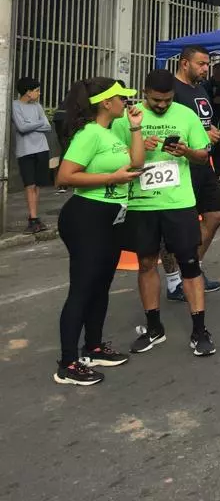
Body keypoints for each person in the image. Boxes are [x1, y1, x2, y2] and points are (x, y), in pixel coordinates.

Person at [115, 69, 217, 358]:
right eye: (156, 100)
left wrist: (185, 151)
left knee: (189, 264)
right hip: (142, 204)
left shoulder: (185, 115)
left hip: (179, 203)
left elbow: (203, 154)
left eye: (167, 100)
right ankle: (154, 327)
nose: (162, 105)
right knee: (146, 263)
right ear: (144, 92)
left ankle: (200, 330)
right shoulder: (129, 117)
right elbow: (114, 154)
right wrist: (136, 148)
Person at [53, 78, 143, 385]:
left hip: (111, 217)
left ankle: (92, 346)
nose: (126, 103)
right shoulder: (89, 133)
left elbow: (135, 164)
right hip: (86, 217)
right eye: (121, 98)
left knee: (101, 285)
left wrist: (135, 128)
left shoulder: (109, 133)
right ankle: (67, 364)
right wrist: (111, 178)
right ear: (106, 103)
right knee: (82, 288)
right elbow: (64, 177)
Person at [169, 46, 220, 298]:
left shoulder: (200, 89)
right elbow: (165, 127)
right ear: (184, 63)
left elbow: (203, 122)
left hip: (204, 163)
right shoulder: (171, 89)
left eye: (207, 64)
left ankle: (192, 269)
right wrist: (201, 135)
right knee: (179, 226)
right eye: (201, 64)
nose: (206, 69)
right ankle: (174, 280)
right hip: (181, 165)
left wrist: (217, 132)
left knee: (215, 216)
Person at [13, 76, 53, 233]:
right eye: (36, 90)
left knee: (37, 185)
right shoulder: (15, 106)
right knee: (29, 185)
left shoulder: (37, 107)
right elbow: (21, 128)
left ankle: (35, 217)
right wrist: (37, 123)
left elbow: (48, 126)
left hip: (42, 149)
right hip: (26, 151)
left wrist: (30, 125)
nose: (39, 93)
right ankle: (33, 219)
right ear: (28, 92)